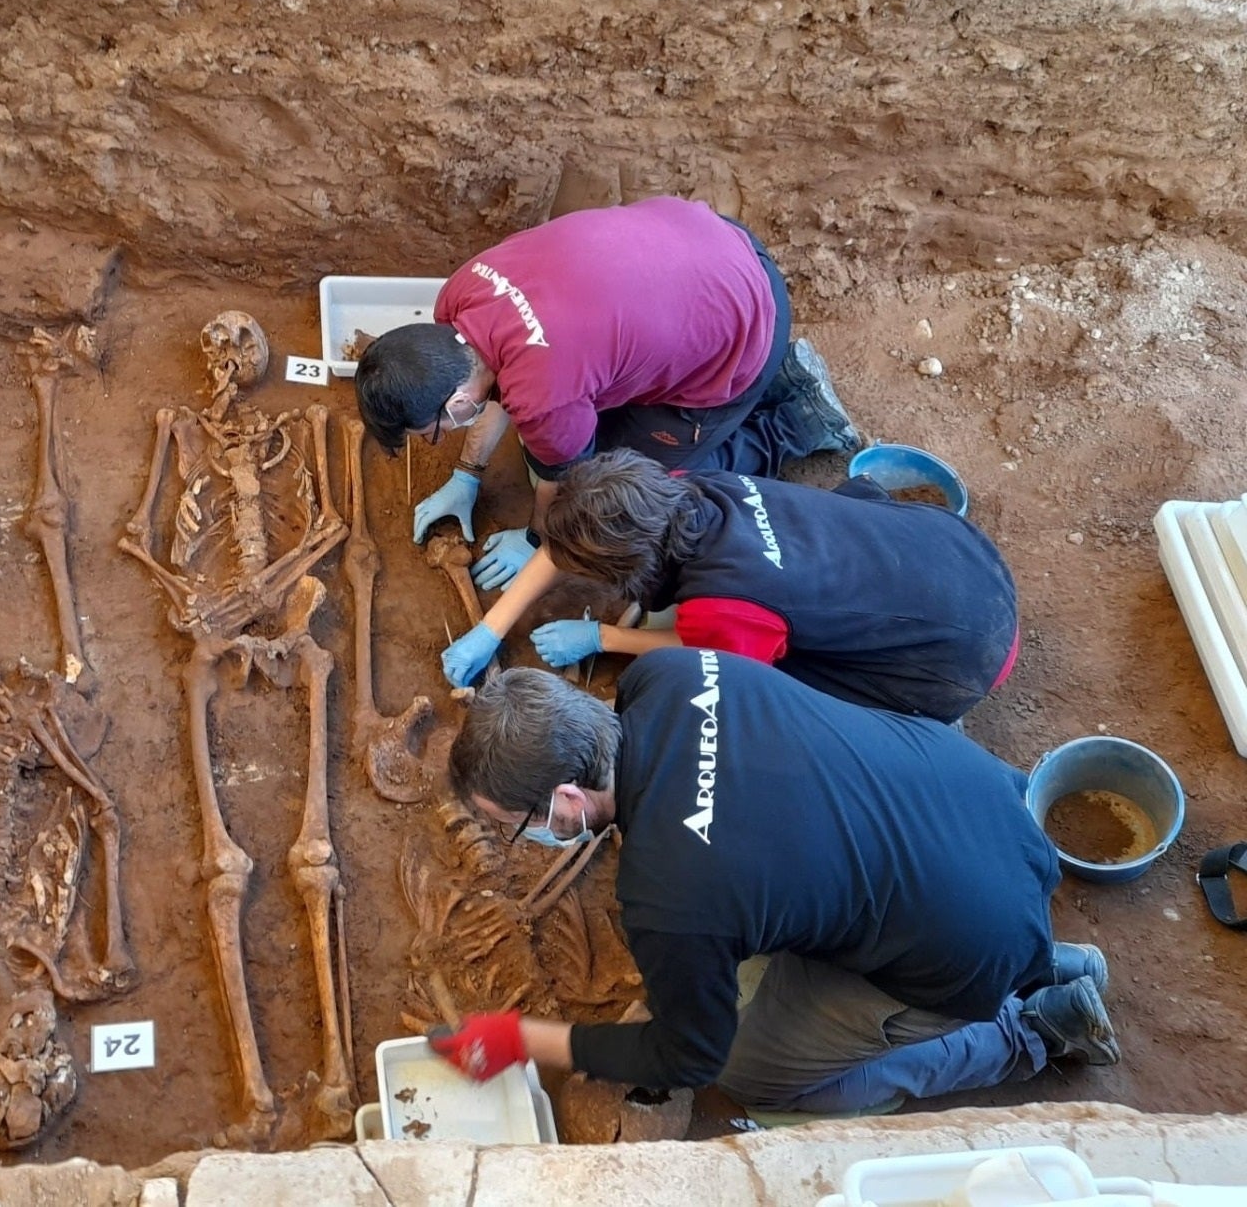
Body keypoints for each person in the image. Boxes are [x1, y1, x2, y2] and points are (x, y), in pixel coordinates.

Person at [428, 653, 1117, 1114]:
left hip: (967, 948)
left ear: (568, 799)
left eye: (519, 824)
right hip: (991, 811)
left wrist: (522, 1038)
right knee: (854, 890)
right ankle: (1050, 962)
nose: (528, 836)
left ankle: (1033, 1031)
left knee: (751, 1077)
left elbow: (688, 1055)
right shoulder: (666, 673)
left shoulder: (668, 896)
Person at [353, 196, 861, 592]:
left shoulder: (544, 398)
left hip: (746, 321)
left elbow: (559, 480)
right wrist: (468, 473)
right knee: (577, 427)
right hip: (711, 247)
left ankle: (799, 421)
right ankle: (777, 377)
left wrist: (537, 539)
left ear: (457, 404)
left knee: (625, 487)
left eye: (432, 432)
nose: (436, 438)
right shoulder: (460, 295)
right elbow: (494, 380)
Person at [441, 450, 1019, 723]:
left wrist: (603, 637)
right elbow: (576, 533)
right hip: (961, 551)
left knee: (763, 693)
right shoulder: (687, 486)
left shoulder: (724, 600)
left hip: (963, 655)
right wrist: (490, 628)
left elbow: (702, 651)